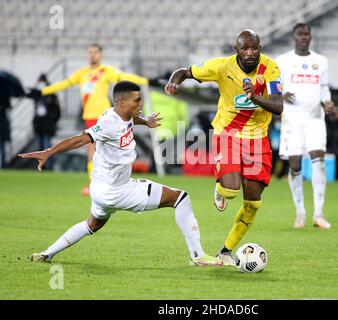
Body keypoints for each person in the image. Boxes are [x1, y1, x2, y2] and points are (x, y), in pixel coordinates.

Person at [19, 81, 223, 266]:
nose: (141, 102)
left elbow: (131, 120)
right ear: (122, 102)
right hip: (118, 190)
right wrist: (48, 152)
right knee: (181, 198)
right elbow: (81, 138)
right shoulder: (109, 123)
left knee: (92, 225)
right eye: (137, 100)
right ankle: (198, 256)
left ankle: (47, 253)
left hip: (99, 189)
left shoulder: (121, 115)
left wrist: (146, 121)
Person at [165, 30, 283, 265]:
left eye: (255, 48)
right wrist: (173, 83)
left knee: (252, 203)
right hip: (228, 132)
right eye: (245, 48)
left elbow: (279, 106)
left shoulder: (270, 68)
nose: (250, 53)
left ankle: (226, 250)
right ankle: (220, 189)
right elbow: (184, 72)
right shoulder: (221, 66)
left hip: (258, 138)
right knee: (230, 191)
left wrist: (256, 98)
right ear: (236, 49)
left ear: (259, 47)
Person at [28, 44, 148, 195]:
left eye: (95, 52)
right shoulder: (82, 73)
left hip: (104, 117)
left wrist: (146, 81)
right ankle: (97, 183)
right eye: (90, 52)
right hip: (89, 117)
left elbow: (125, 77)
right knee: (92, 152)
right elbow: (64, 84)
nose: (92, 55)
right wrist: (42, 91)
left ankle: (99, 184)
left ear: (101, 54)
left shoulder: (106, 71)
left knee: (99, 152)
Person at [275, 23, 334, 229]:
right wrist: (280, 95)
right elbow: (271, 86)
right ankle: (300, 211)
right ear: (294, 37)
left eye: (307, 34)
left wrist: (328, 102)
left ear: (310, 37)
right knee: (295, 165)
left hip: (315, 118)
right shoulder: (282, 61)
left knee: (318, 159)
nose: (303, 37)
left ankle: (318, 213)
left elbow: (324, 89)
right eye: (300, 34)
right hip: (291, 119)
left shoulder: (321, 61)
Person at [29, 73, 61, 169]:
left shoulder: (51, 94)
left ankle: (49, 166)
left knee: (47, 147)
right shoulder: (38, 95)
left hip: (48, 124)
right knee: (40, 147)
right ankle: (41, 167)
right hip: (39, 124)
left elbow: (57, 110)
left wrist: (52, 119)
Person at [0, 69, 25, 168]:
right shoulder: (6, 86)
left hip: (2, 117)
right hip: (3, 116)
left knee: (2, 142)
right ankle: (3, 163)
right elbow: (17, 93)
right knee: (3, 142)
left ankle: (3, 163)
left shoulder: (4, 87)